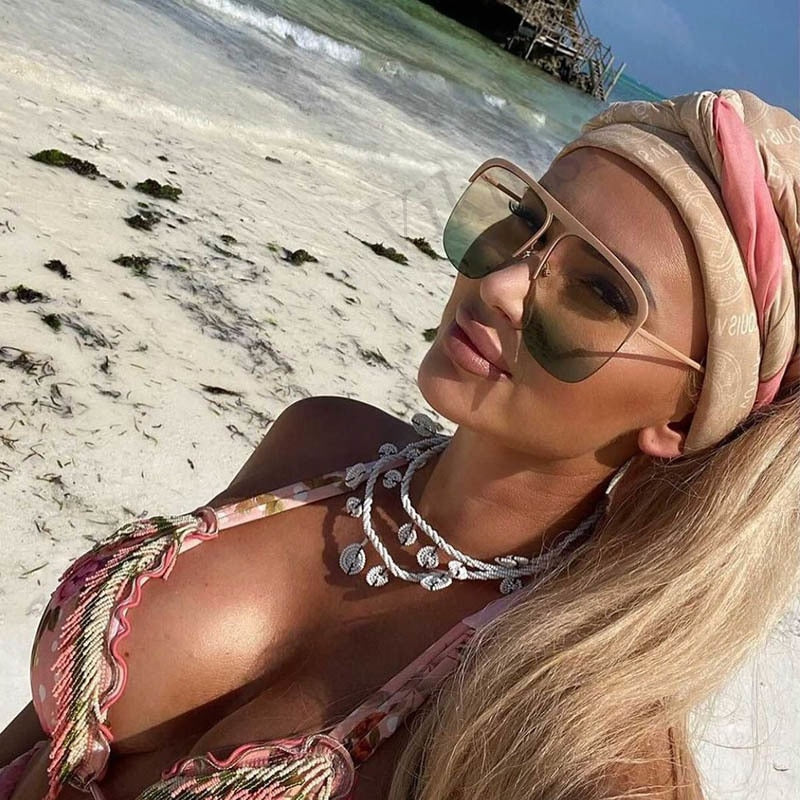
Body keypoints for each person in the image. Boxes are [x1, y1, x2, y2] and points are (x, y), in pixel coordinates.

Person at [1, 87, 799, 800]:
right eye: (526, 222)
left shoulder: (566, 737)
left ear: (682, 418)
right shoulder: (321, 441)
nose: (501, 285)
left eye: (598, 291)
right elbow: (44, 737)